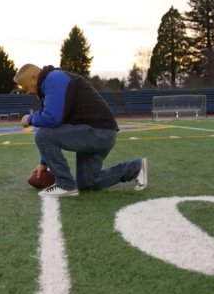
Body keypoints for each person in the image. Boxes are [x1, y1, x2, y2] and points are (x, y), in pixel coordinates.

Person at [14, 64, 147, 197]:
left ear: (33, 78)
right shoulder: (54, 80)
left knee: (41, 135)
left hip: (96, 131)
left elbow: (52, 119)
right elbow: (53, 124)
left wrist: (29, 119)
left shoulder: (53, 78)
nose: (28, 92)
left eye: (26, 87)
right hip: (101, 132)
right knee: (88, 182)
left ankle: (65, 185)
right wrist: (43, 163)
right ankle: (135, 167)